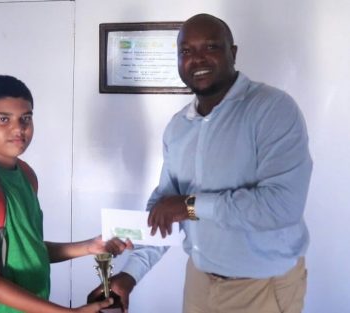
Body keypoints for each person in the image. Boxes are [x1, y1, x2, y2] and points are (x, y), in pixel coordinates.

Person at [88, 13, 312, 313]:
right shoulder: (179, 127)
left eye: (210, 47)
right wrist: (130, 275)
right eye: (186, 51)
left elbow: (282, 206)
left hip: (261, 286)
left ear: (232, 53)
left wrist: (190, 206)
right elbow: (164, 213)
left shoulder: (272, 109)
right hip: (199, 282)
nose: (198, 58)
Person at [0, 75, 133, 313]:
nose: (18, 128)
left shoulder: (26, 175)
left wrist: (89, 246)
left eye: (25, 118)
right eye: (3, 119)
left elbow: (29, 249)